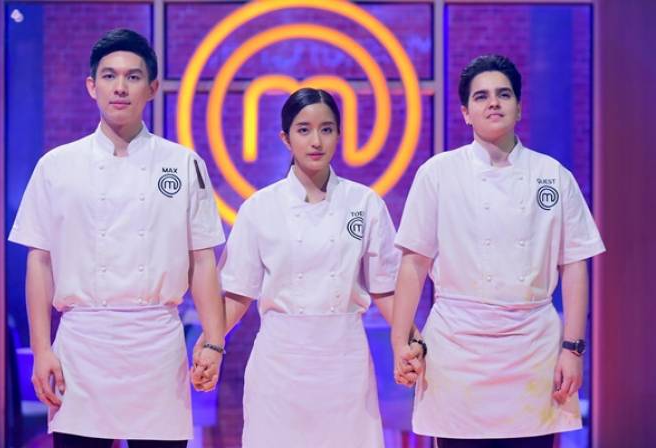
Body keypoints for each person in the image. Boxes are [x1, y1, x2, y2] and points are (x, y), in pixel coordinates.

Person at [8, 28, 226, 447]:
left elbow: (202, 261)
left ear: (152, 88)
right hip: (81, 346)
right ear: (92, 86)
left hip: (157, 346)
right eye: (109, 76)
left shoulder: (184, 164)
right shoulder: (56, 165)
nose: (120, 87)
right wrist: (41, 349)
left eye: (132, 76)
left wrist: (214, 342)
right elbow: (39, 261)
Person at [390, 54, 606, 448]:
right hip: (457, 351)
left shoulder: (553, 176)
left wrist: (573, 349)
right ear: (465, 113)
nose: (493, 103)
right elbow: (413, 264)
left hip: (533, 351)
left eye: (503, 94)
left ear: (519, 107)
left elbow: (575, 265)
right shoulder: (437, 174)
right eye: (481, 96)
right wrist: (400, 342)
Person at [191, 87, 422, 447]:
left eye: (326, 129)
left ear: (339, 134)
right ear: (285, 138)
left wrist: (411, 339)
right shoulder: (259, 208)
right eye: (304, 130)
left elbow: (386, 289)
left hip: (344, 362)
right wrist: (210, 343)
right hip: (279, 365)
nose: (316, 141)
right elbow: (237, 294)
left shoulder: (364, 203)